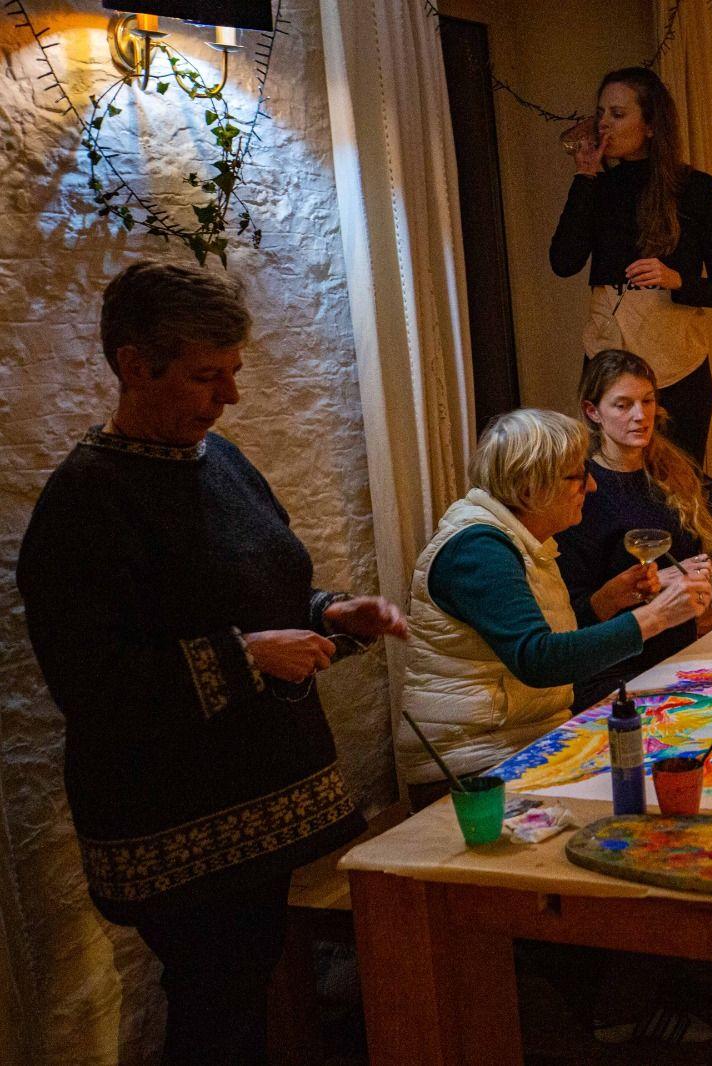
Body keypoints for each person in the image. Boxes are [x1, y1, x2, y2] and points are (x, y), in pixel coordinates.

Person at [17, 261, 408, 1065]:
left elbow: (242, 595)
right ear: (134, 366)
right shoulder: (85, 500)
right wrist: (250, 656)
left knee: (236, 991)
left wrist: (328, 614)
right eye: (206, 376)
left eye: (232, 372)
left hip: (253, 805)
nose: (228, 396)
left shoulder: (218, 459)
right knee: (215, 1002)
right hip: (177, 824)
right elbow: (94, 686)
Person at [397, 408, 712, 809]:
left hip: (517, 741)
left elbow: (538, 636)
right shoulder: (479, 548)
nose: (593, 486)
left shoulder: (522, 539)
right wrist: (656, 617)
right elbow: (537, 659)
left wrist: (607, 601)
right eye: (578, 476)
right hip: (472, 770)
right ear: (531, 487)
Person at [557, 349, 712, 709]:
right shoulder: (582, 490)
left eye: (647, 401)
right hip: (615, 677)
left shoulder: (669, 469)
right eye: (622, 405)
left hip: (680, 661)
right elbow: (574, 618)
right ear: (592, 412)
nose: (640, 415)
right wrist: (640, 587)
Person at [549, 66, 712, 465]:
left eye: (617, 115)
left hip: (678, 367)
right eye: (601, 113)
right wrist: (584, 177)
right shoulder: (597, 187)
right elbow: (563, 262)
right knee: (608, 483)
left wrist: (675, 279)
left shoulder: (695, 188)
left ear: (651, 125)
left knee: (679, 490)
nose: (604, 124)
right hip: (608, 358)